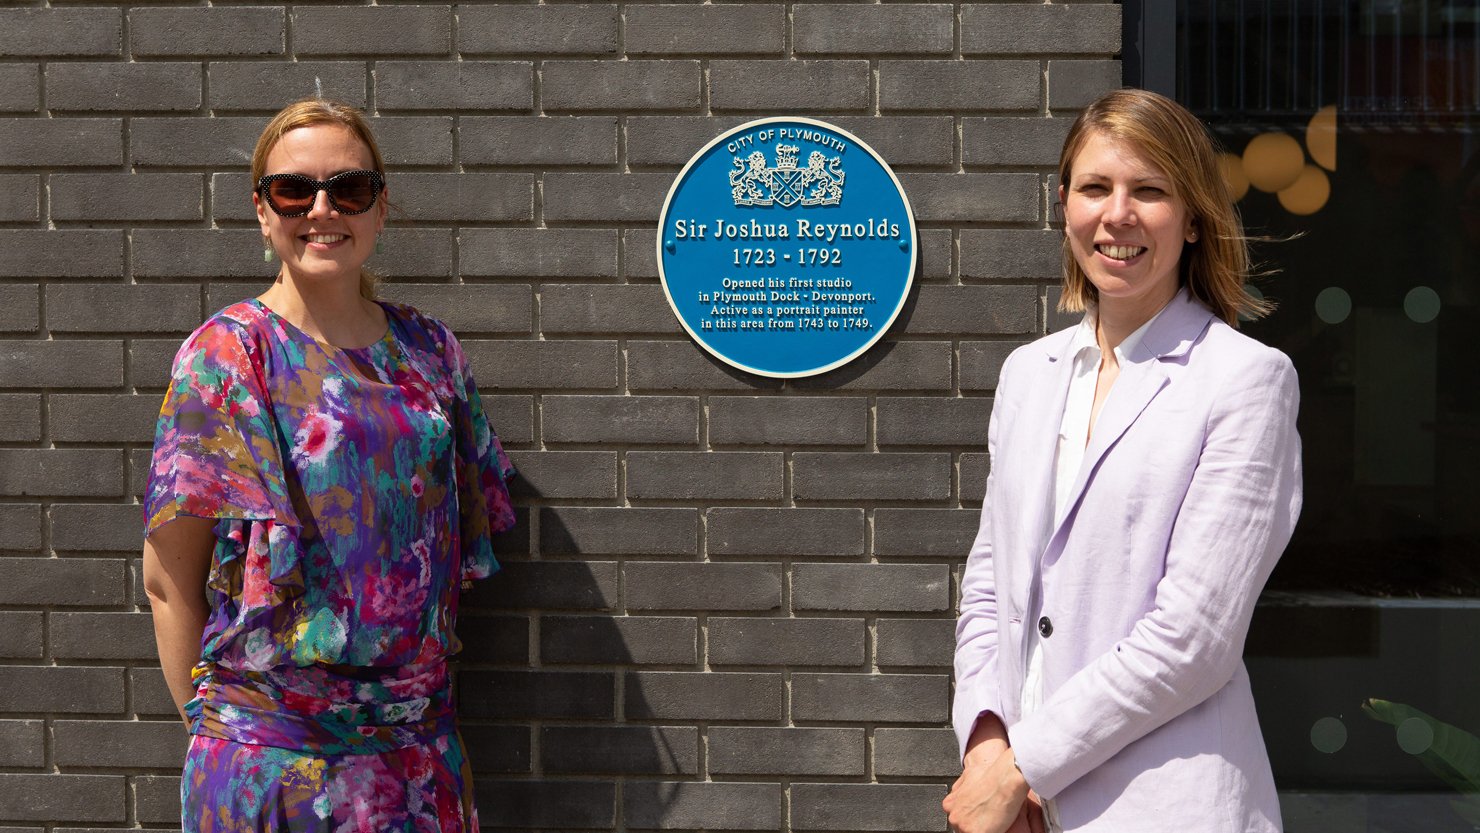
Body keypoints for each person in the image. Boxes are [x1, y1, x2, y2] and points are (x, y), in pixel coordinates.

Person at [142, 98, 516, 831]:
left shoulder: (430, 351)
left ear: (380, 209)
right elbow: (168, 581)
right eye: (294, 190)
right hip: (269, 757)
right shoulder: (226, 357)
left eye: (350, 189)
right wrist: (217, 732)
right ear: (261, 209)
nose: (322, 209)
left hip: (416, 755)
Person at [944, 89, 1303, 833]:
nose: (1118, 214)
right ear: (1064, 203)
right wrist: (986, 744)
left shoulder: (1244, 380)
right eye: (1096, 187)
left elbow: (1193, 637)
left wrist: (1023, 764)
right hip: (1020, 810)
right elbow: (990, 586)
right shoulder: (1028, 374)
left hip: (1165, 806)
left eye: (1150, 190)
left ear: (1195, 215)